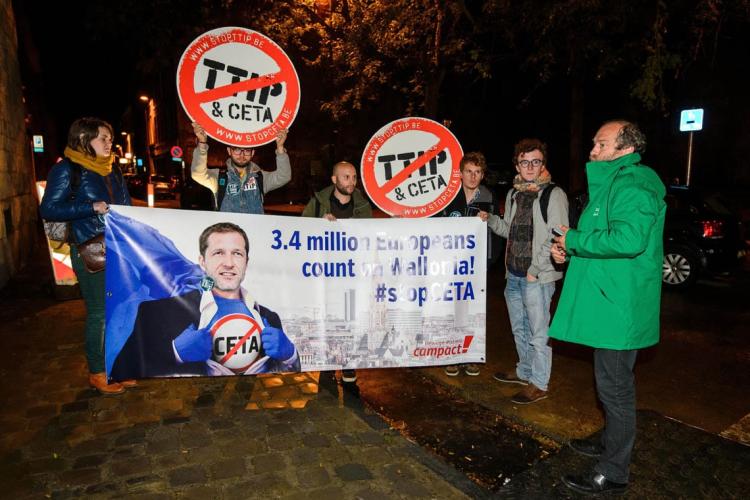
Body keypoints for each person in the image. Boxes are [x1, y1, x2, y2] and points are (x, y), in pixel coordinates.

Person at [550, 120, 665, 495]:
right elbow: (602, 242)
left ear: (624, 149)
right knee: (608, 384)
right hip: (609, 303)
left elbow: (629, 239)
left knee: (615, 388)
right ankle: (609, 442)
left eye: (601, 144)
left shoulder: (633, 184)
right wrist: (569, 249)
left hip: (620, 311)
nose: (593, 151)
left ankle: (614, 471)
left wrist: (574, 239)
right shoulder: (614, 184)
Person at [110, 222, 300, 379]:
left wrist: (290, 354)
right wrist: (175, 352)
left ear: (246, 262)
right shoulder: (156, 312)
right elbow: (121, 370)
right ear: (202, 262)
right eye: (218, 253)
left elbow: (288, 371)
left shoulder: (269, 318)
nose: (229, 263)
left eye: (237, 253)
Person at [40, 117, 134, 395]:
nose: (109, 143)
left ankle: (117, 366)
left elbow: (125, 205)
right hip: (89, 249)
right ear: (84, 140)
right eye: (103, 138)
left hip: (118, 248)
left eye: (110, 137)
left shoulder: (112, 170)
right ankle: (97, 371)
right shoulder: (68, 170)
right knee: (99, 312)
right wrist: (90, 207)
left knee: (122, 309)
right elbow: (50, 209)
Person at [479, 138, 568, 403]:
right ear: (517, 164)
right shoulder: (514, 193)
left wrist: (534, 269)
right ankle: (524, 370)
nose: (530, 167)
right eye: (525, 161)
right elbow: (509, 230)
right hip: (513, 275)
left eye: (536, 161)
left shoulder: (554, 194)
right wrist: (491, 220)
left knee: (539, 333)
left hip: (537, 277)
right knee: (519, 329)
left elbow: (557, 235)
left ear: (543, 164)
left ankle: (539, 383)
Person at [302, 161, 372, 382]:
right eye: (346, 177)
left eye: (353, 177)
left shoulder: (362, 206)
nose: (351, 182)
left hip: (352, 274)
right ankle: (328, 362)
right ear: (334, 180)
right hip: (326, 273)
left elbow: (370, 237)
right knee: (328, 318)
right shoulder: (318, 203)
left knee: (350, 319)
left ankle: (349, 363)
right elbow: (300, 230)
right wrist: (318, 225)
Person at [440, 152, 496, 377]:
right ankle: (452, 355)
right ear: (460, 174)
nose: (473, 177)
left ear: (482, 175)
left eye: (477, 172)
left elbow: (494, 234)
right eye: (469, 172)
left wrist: (488, 262)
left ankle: (471, 356)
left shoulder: (488, 197)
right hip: (450, 265)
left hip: (475, 267)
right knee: (451, 311)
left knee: (473, 311)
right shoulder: (447, 197)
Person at [190, 122, 291, 213]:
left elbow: (284, 176)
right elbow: (198, 174)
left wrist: (280, 148)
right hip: (228, 232)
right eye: (237, 150)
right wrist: (202, 143)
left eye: (247, 151)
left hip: (254, 232)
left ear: (252, 153)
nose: (242, 155)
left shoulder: (260, 177)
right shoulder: (220, 176)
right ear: (229, 151)